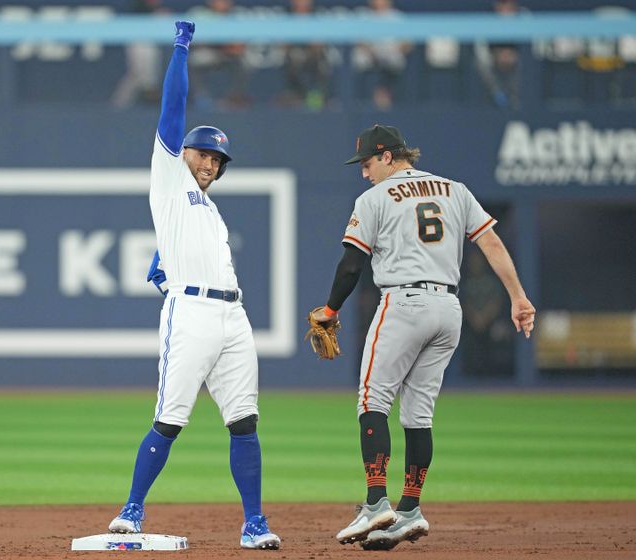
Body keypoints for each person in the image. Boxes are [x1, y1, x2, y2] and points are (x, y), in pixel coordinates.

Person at [310, 124, 535, 550]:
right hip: (448, 311)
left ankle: (377, 500)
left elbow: (352, 266)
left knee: (372, 400)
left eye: (368, 162)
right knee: (418, 413)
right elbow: (491, 245)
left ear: (389, 156)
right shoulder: (456, 189)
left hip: (404, 303)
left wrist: (331, 308)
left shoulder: (374, 198)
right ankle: (410, 509)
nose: (364, 172)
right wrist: (518, 297)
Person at [107, 21, 281, 551]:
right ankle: (131, 510)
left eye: (218, 160)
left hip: (233, 318)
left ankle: (254, 524)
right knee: (169, 420)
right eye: (204, 153)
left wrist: (163, 265)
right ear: (183, 154)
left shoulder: (211, 211)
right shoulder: (169, 177)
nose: (210, 163)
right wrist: (181, 49)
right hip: (192, 317)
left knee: (244, 422)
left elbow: (185, 255)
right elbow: (172, 110)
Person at [351, 0, 412, 110]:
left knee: (392, 67)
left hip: (392, 63)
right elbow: (357, 40)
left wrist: (394, 51)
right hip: (368, 63)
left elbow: (408, 44)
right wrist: (372, 51)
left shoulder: (398, 18)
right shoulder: (363, 16)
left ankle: (384, 101)